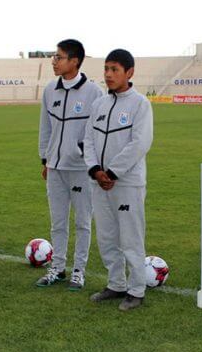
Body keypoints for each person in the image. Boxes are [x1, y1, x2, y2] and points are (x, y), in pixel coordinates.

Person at [84, 49, 153, 311]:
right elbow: (88, 140)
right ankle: (116, 284)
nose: (108, 75)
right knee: (107, 236)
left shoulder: (140, 104)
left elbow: (140, 143)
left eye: (114, 69)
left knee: (131, 237)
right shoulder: (99, 104)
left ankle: (136, 289)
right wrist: (95, 171)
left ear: (129, 72)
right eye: (106, 69)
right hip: (98, 183)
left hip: (127, 183)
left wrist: (112, 173)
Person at [36, 39, 104, 290]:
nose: (54, 61)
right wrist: (46, 158)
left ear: (74, 61)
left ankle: (78, 271)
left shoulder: (94, 92)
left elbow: (97, 132)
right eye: (54, 56)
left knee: (83, 221)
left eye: (59, 57)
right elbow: (45, 128)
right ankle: (57, 268)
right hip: (55, 168)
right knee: (58, 222)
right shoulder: (49, 90)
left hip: (81, 170)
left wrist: (90, 162)